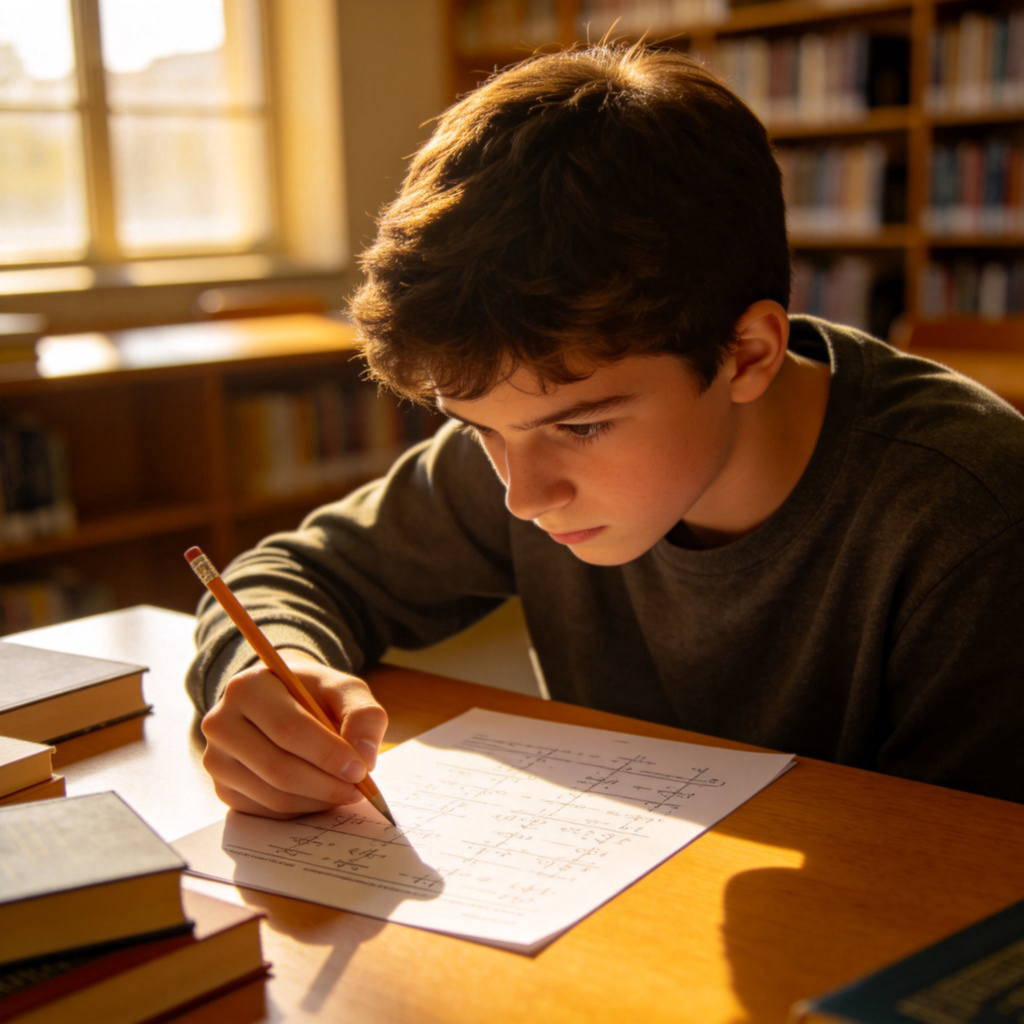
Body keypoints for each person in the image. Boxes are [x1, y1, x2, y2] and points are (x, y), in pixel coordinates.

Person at [187, 42, 1024, 816]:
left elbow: (962, 894)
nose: (522, 496)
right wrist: (275, 670)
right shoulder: (526, 434)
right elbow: (294, 573)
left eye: (582, 429)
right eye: (478, 428)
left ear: (747, 354)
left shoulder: (973, 526)